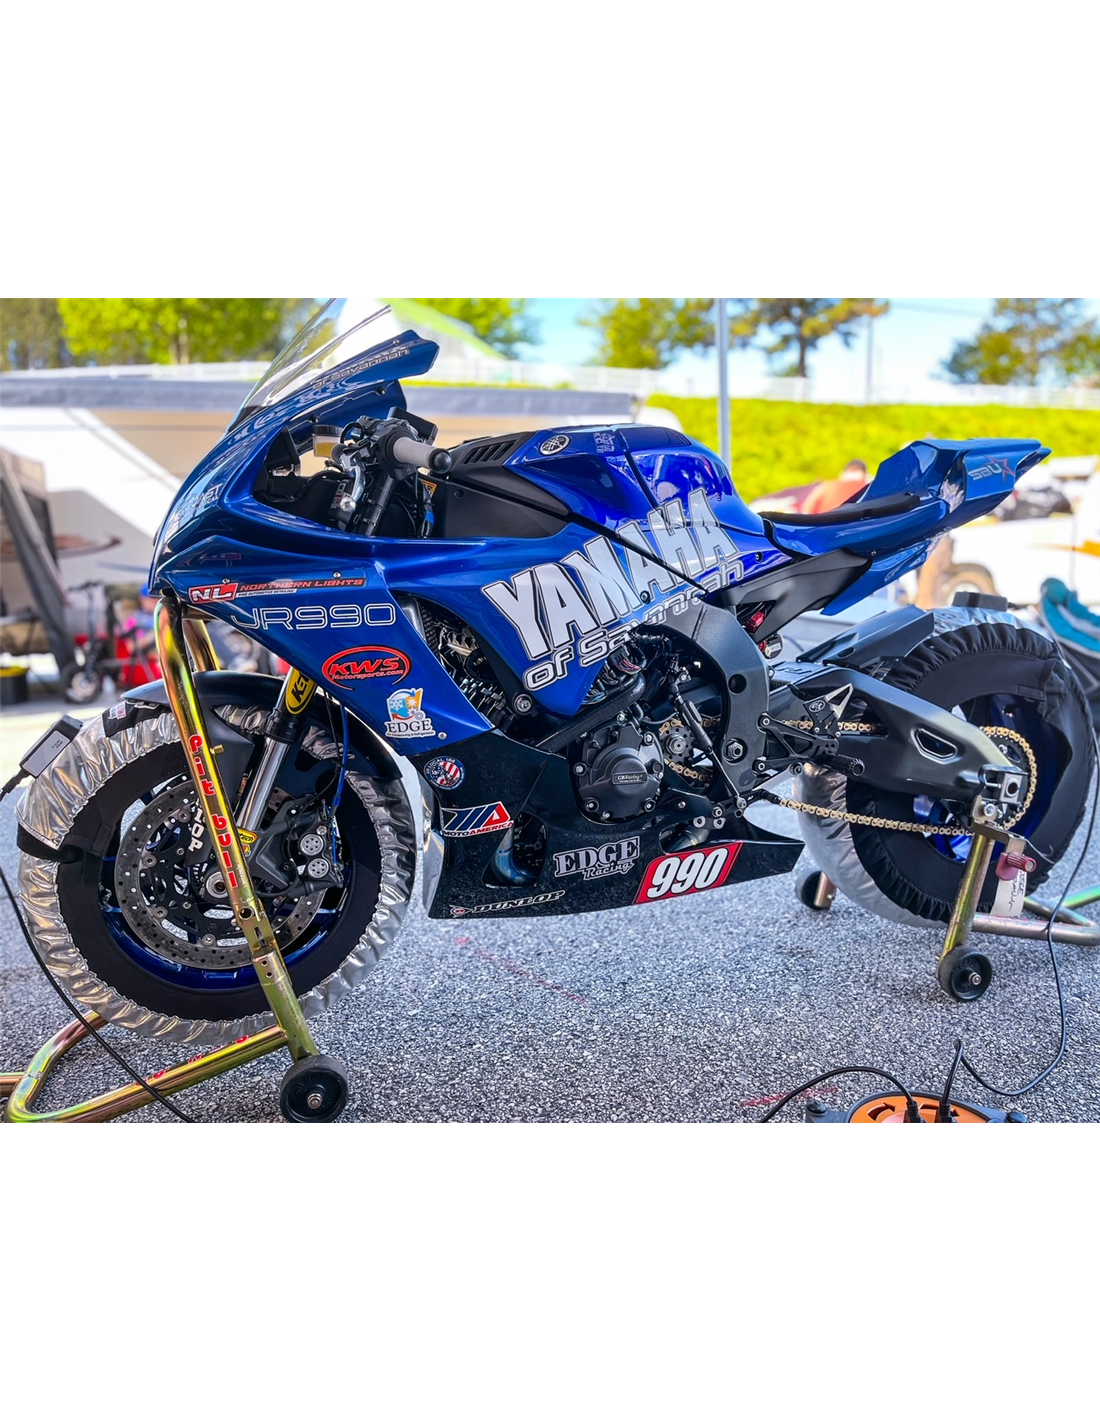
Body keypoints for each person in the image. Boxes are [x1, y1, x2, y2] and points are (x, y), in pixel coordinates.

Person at [800, 459, 870, 515]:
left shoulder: (827, 487)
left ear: (844, 472)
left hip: (827, 525)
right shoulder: (868, 488)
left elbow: (807, 510)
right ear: (864, 474)